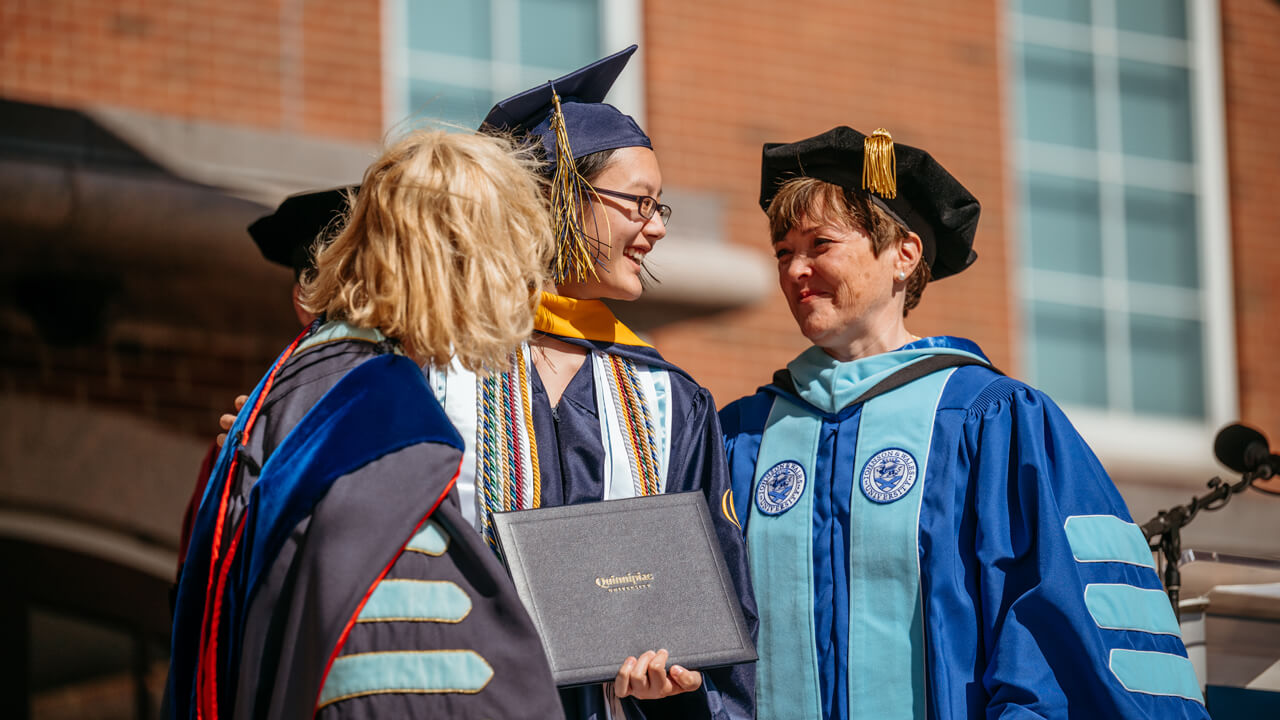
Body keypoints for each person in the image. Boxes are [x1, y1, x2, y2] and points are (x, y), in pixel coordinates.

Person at [719, 126, 1209, 719]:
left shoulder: (990, 419)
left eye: (820, 244)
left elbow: (1051, 636)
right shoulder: (742, 435)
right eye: (783, 252)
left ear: (904, 254)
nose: (795, 270)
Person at [167, 129, 565, 719]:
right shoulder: (378, 422)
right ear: (460, 260)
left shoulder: (303, 381)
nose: (528, 291)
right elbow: (400, 684)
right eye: (512, 263)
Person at [436, 45, 756, 720]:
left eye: (660, 205)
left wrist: (681, 680)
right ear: (558, 199)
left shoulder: (669, 398)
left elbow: (717, 614)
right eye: (639, 203)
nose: (657, 228)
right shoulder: (440, 369)